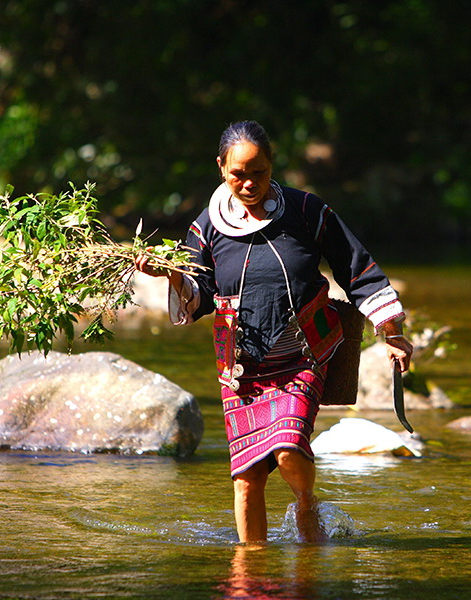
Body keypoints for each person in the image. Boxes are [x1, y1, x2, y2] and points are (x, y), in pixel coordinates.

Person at [134, 120, 412, 543]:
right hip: (242, 368)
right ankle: (250, 570)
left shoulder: (305, 211)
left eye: (258, 172)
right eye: (238, 174)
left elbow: (355, 268)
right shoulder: (206, 227)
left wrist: (391, 333)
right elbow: (199, 295)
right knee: (246, 479)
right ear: (220, 168)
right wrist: (170, 274)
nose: (248, 183)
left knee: (286, 451)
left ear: (272, 165)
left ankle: (305, 503)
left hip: (302, 355)